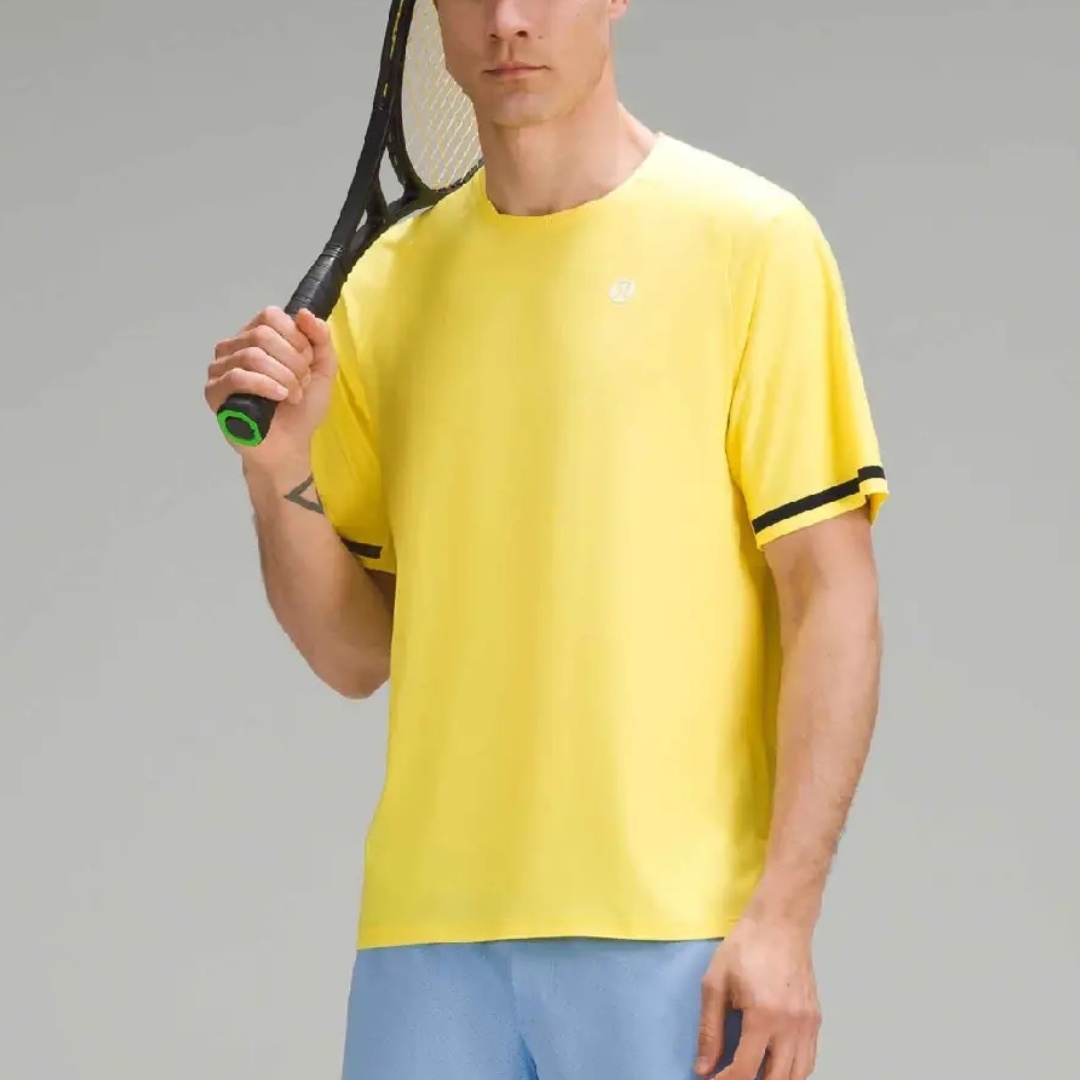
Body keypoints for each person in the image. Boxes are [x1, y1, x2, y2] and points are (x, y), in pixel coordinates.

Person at [203, 1, 889, 1077]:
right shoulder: (386, 285)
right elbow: (354, 653)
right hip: (426, 943)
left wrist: (784, 918)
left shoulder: (751, 241)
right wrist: (277, 471)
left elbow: (830, 596)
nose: (509, 21)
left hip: (675, 935)